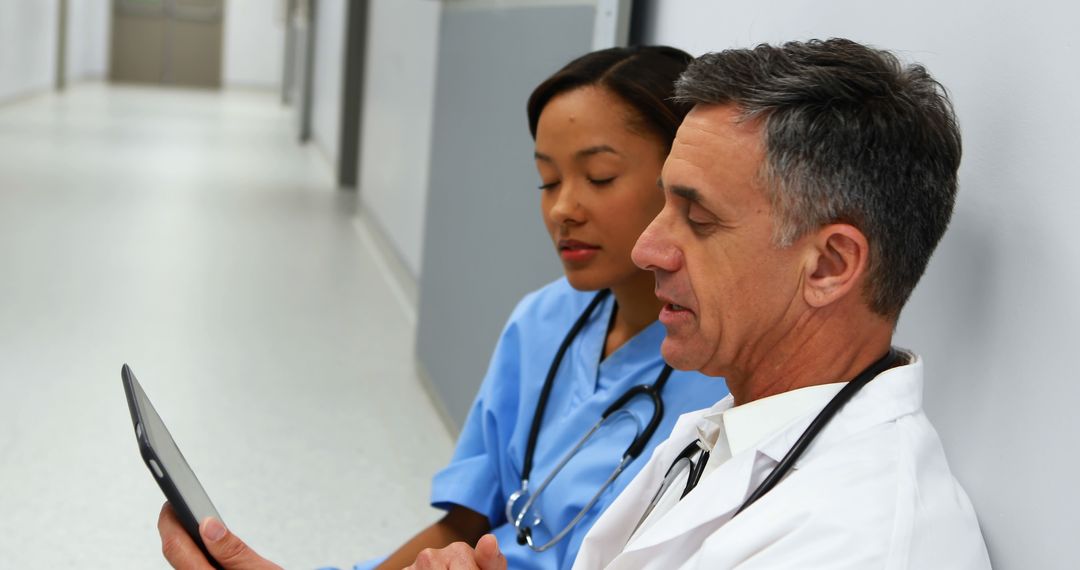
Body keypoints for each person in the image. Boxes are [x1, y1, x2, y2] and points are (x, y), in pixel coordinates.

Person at [399, 38, 993, 569]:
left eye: (699, 218)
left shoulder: (854, 544)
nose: (648, 248)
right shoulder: (732, 425)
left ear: (830, 265)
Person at [156, 46, 730, 570]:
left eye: (598, 177)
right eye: (547, 181)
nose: (563, 209)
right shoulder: (541, 324)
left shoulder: (725, 374)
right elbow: (466, 521)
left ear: (682, 180)